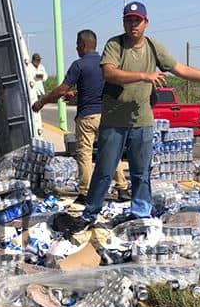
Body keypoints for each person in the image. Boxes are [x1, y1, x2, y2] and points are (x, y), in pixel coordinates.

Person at [52, 1, 200, 234]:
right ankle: (90, 213)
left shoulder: (153, 47)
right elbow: (109, 73)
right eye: (129, 20)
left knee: (141, 171)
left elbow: (180, 69)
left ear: (146, 23)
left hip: (142, 121)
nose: (133, 25)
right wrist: (143, 75)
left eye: (137, 20)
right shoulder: (115, 45)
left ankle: (140, 213)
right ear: (124, 22)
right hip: (113, 120)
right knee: (105, 170)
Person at [32, 30, 130, 200]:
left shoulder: (79, 65)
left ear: (84, 45)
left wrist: (42, 102)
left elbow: (62, 89)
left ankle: (85, 193)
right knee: (111, 152)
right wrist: (76, 93)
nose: (76, 47)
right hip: (107, 116)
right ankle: (122, 188)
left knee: (84, 154)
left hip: (87, 117)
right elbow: (101, 87)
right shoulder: (107, 64)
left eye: (78, 44)